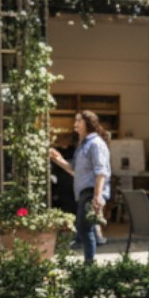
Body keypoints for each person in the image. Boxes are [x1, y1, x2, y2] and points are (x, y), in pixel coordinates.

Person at [49, 110, 110, 263]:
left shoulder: (95, 144)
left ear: (88, 124)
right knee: (84, 228)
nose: (75, 124)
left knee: (84, 228)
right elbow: (74, 170)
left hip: (91, 191)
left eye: (78, 121)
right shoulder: (83, 144)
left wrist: (97, 196)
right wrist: (58, 159)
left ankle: (89, 265)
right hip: (84, 191)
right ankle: (88, 263)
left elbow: (101, 171)